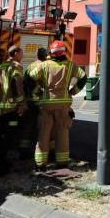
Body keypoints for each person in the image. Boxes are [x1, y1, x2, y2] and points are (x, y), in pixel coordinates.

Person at [32, 41, 86, 169]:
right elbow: (83, 78)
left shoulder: (44, 65)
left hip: (46, 104)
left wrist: (38, 91)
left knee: (44, 133)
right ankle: (62, 161)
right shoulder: (71, 65)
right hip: (63, 105)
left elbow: (28, 78)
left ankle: (40, 163)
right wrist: (73, 91)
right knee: (62, 133)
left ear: (51, 53)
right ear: (64, 52)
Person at [0, 44, 26, 176]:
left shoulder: (0, 67)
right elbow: (16, 84)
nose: (22, 56)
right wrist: (21, 103)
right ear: (15, 54)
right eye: (21, 53)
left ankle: (0, 163)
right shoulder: (16, 66)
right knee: (7, 138)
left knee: (0, 137)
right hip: (10, 110)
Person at [18, 46, 49, 159]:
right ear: (46, 56)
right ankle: (40, 151)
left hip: (29, 101)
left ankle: (23, 150)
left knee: (27, 126)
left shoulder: (30, 66)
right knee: (42, 127)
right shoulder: (45, 66)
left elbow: (25, 82)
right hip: (40, 102)